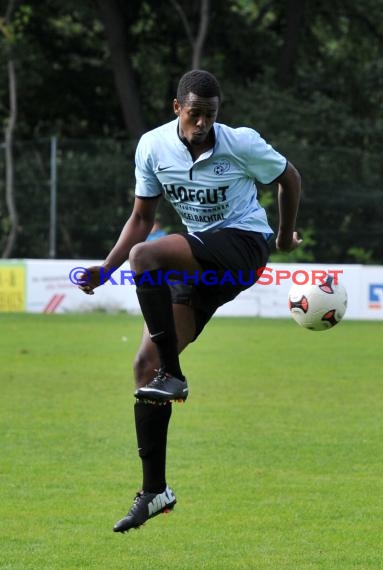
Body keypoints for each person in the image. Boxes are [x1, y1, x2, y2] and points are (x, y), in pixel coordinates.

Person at [78, 69, 302, 533]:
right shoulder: (152, 147)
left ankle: (173, 375)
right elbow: (141, 217)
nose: (203, 123)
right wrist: (106, 268)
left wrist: (282, 235)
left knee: (147, 258)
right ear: (176, 108)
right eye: (195, 113)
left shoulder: (239, 142)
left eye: (211, 115)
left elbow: (289, 177)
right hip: (198, 260)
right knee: (144, 367)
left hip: (243, 244)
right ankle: (154, 492)